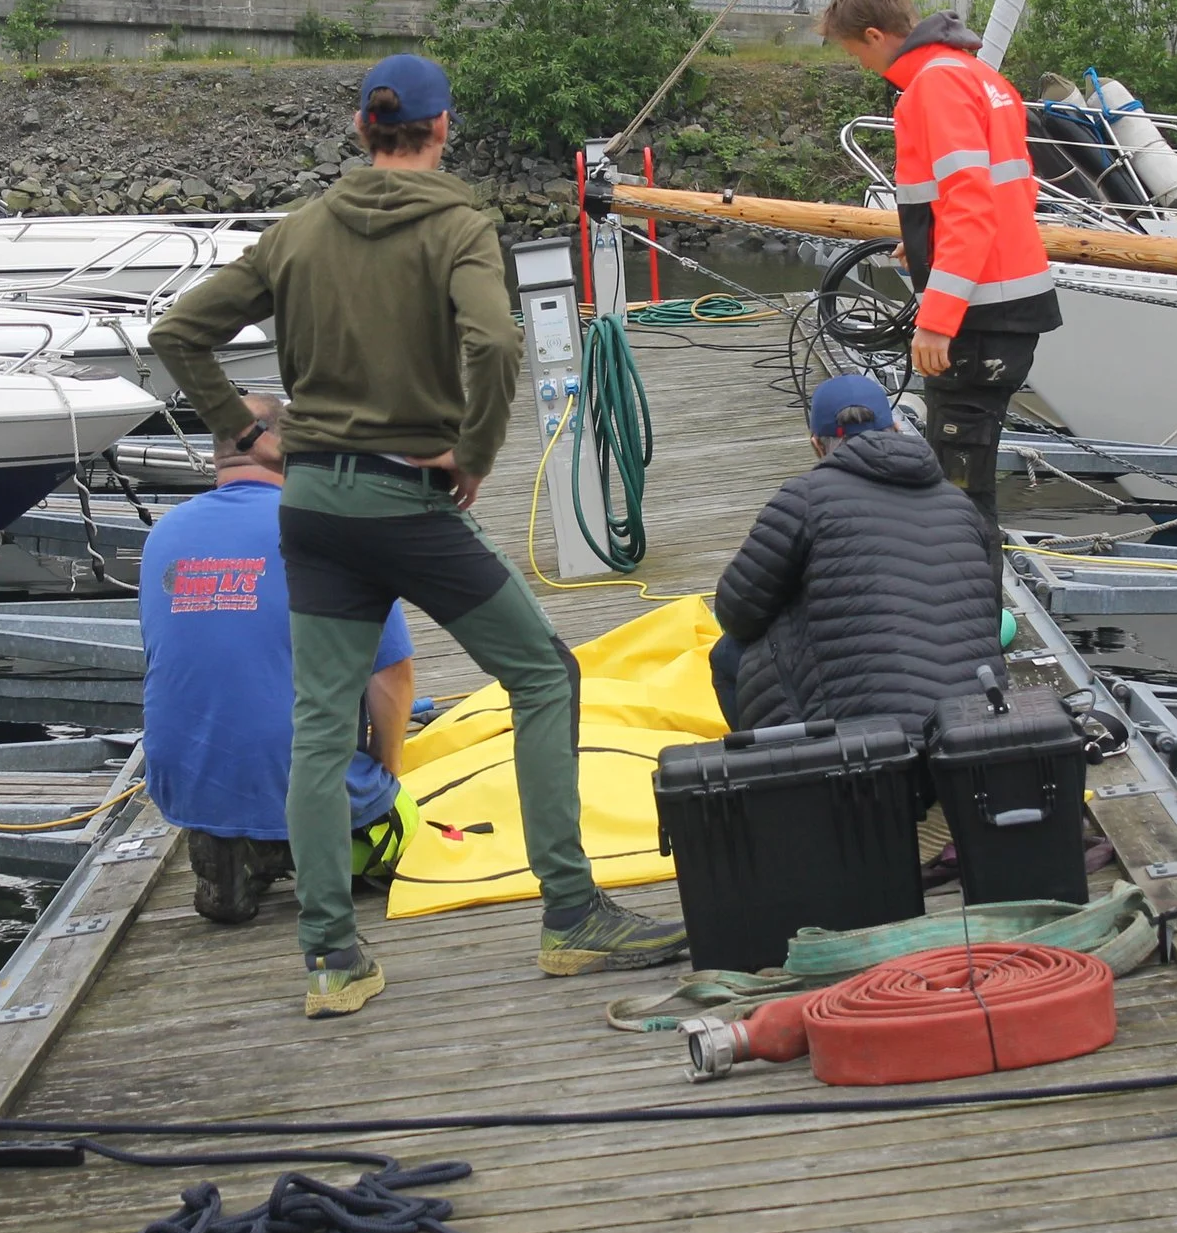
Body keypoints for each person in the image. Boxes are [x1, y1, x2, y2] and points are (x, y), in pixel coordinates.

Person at [151, 53, 687, 1019]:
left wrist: (238, 426)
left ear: (361, 128)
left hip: (308, 505)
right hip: (406, 498)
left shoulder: (298, 233)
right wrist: (474, 452)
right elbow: (495, 341)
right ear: (444, 131)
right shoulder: (457, 226)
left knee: (321, 727)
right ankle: (572, 915)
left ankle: (331, 961)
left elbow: (179, 332)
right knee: (543, 675)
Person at [136, 394, 423, 926]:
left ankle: (230, 841)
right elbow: (390, 676)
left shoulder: (163, 536)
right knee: (403, 826)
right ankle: (294, 847)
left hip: (183, 777)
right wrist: (387, 770)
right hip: (302, 777)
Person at [820, 0, 1060, 552]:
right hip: (1011, 304)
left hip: (982, 317)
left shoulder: (933, 86)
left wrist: (936, 320)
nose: (861, 65)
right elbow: (1013, 193)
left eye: (855, 52)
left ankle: (970, 628)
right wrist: (924, 242)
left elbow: (973, 205)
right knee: (962, 480)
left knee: (960, 494)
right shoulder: (979, 75)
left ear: (875, 35)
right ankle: (970, 622)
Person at [710, 373, 1005, 735]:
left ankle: (780, 772)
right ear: (896, 429)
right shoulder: (961, 505)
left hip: (862, 746)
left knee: (728, 654)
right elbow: (989, 617)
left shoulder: (803, 497)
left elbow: (737, 614)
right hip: (972, 733)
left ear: (817, 445)